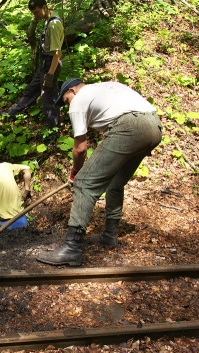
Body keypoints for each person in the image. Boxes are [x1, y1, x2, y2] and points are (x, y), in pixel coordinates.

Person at [37, 78, 162, 266]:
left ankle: (72, 248)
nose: (67, 105)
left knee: (84, 183)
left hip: (130, 127)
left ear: (72, 90)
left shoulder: (78, 102)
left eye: (66, 100)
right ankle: (109, 236)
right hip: (154, 126)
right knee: (115, 182)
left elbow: (80, 148)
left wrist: (75, 173)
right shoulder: (107, 86)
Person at [1, 0, 64, 129]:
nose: (35, 15)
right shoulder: (48, 20)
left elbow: (57, 53)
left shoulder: (53, 25)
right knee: (31, 90)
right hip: (44, 64)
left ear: (44, 7)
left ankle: (53, 130)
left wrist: (50, 76)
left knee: (48, 100)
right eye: (33, 13)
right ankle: (12, 113)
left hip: (50, 65)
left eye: (36, 12)